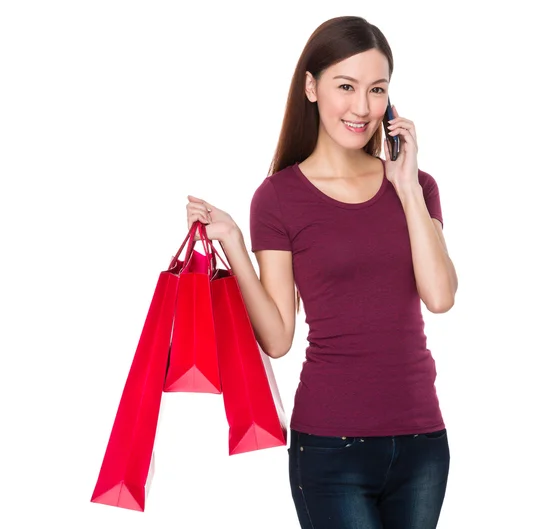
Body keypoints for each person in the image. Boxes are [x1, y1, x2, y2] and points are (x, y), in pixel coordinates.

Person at [186, 15, 458, 529]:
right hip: (332, 449)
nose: (362, 107)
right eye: (346, 86)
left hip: (423, 442)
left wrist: (404, 187)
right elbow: (278, 337)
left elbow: (440, 296)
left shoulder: (417, 185)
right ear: (311, 87)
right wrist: (236, 246)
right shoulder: (278, 198)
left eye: (376, 90)